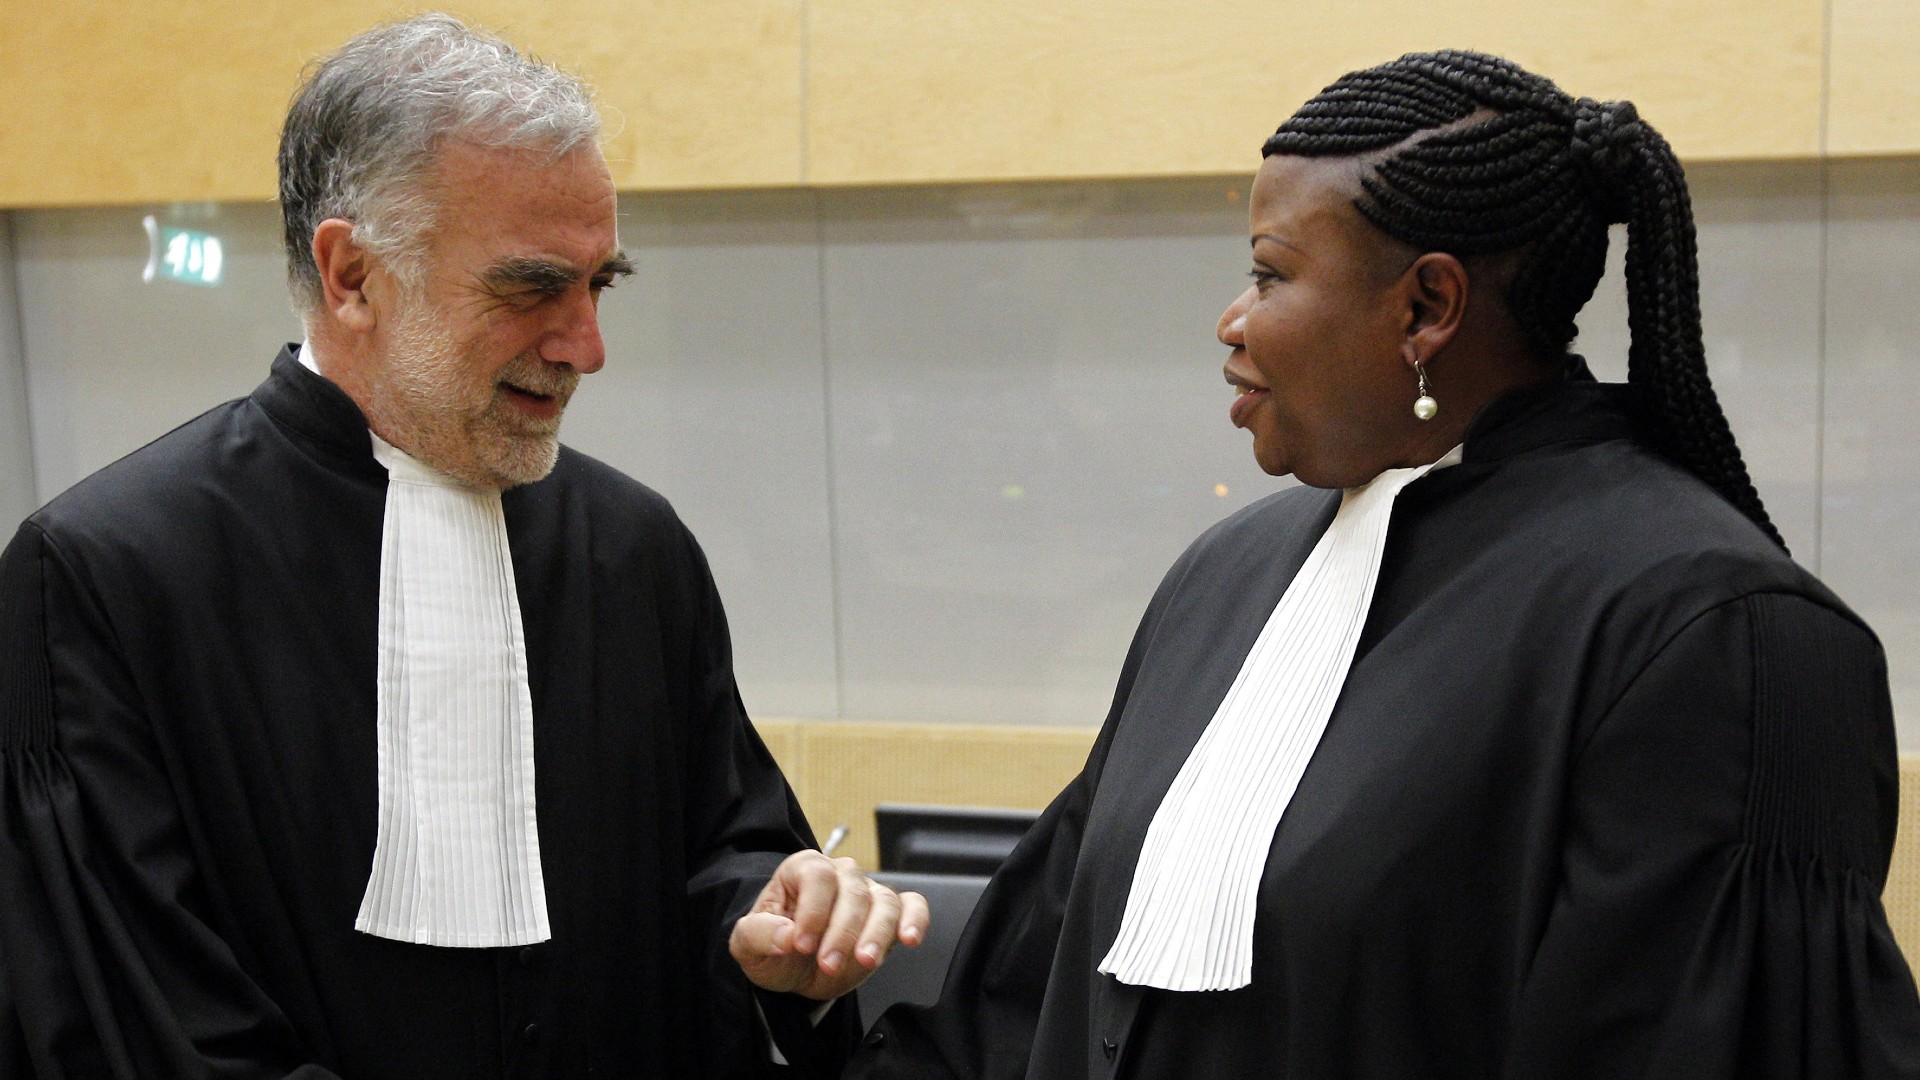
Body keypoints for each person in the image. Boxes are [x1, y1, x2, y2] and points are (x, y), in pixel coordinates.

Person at [848, 50, 1920, 1079]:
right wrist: (818, 983)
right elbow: (1030, 1002)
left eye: (1270, 274)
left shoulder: (1723, 632)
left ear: (1427, 308)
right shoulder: (1225, 577)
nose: (1232, 321)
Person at [0, 15, 923, 1079]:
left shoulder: (633, 549)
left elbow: (721, 852)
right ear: (351, 275)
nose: (586, 345)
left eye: (599, 285)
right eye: (531, 288)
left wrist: (771, 932)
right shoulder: (103, 575)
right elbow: (134, 1020)